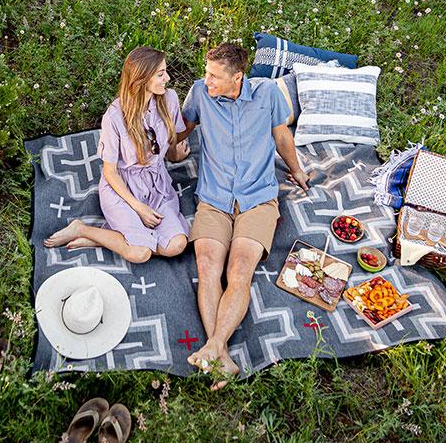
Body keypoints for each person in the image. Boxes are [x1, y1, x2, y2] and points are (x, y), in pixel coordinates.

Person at [175, 42, 310, 389]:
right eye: (206, 72)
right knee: (207, 268)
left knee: (239, 271)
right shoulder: (198, 93)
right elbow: (180, 136)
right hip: (214, 198)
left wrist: (297, 171)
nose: (207, 82)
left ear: (238, 78)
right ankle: (218, 350)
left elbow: (282, 137)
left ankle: (215, 347)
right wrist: (162, 148)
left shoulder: (268, 94)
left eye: (215, 77)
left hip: (258, 199)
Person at [44, 46, 191, 263]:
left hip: (156, 185)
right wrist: (138, 207)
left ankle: (109, 239)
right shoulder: (114, 116)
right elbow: (110, 172)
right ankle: (83, 230)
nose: (167, 78)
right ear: (141, 78)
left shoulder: (169, 99)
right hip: (122, 188)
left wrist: (174, 155)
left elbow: (168, 141)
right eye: (161, 74)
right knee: (140, 253)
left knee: (177, 245)